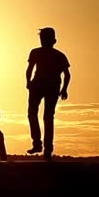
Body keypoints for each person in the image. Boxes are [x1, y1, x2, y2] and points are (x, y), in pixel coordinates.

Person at [25, 27, 71, 160]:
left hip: (48, 86)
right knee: (38, 115)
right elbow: (29, 69)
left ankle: (45, 148)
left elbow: (67, 74)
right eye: (42, 39)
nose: (43, 42)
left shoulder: (59, 55)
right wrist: (28, 81)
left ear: (53, 41)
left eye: (45, 39)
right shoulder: (36, 53)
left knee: (45, 116)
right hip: (41, 85)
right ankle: (40, 145)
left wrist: (64, 89)